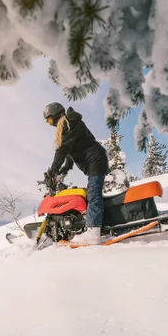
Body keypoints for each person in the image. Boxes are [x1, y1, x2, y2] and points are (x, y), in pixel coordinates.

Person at [43, 102, 109, 244]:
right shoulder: (69, 124)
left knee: (93, 194)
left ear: (55, 115)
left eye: (49, 120)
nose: (50, 124)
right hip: (95, 160)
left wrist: (52, 171)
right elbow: (69, 154)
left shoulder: (70, 123)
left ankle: (94, 232)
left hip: (95, 159)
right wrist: (64, 169)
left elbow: (63, 149)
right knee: (92, 193)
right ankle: (96, 226)